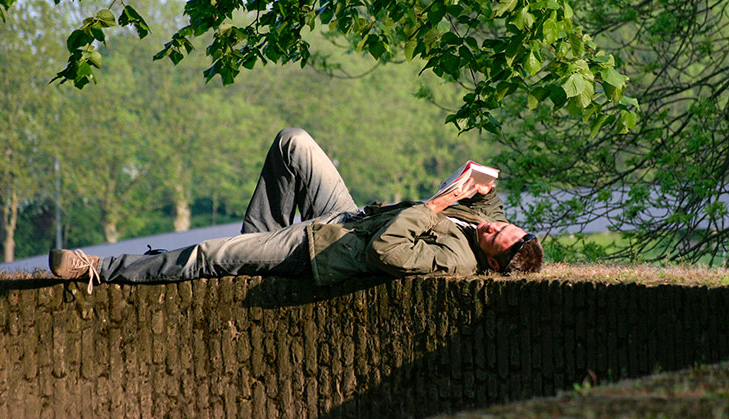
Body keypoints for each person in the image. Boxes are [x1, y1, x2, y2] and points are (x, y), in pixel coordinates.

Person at [49, 128, 543, 293]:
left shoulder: (457, 261)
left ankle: (96, 267)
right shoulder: (483, 224)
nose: (493, 225)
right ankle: (246, 251)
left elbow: (388, 252)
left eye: (497, 237)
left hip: (324, 248)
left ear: (492, 263)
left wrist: (437, 204)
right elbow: (488, 199)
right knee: (294, 142)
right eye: (503, 224)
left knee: (205, 251)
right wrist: (478, 181)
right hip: (347, 215)